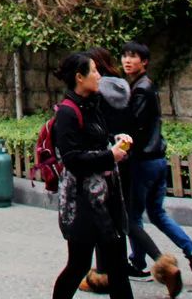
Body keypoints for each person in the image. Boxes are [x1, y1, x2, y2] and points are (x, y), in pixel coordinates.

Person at [51, 51, 133, 299]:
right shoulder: (67, 113)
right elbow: (72, 159)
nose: (99, 76)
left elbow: (98, 139)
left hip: (106, 199)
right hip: (82, 203)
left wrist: (116, 142)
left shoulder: (93, 105)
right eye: (95, 71)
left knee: (117, 265)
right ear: (80, 77)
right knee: (79, 265)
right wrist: (110, 156)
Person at [122, 40, 192, 290]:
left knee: (133, 216)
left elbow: (135, 127)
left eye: (133, 56)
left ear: (144, 61)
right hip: (157, 159)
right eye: (124, 56)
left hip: (143, 161)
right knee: (157, 213)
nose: (127, 60)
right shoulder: (147, 86)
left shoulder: (141, 89)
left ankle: (138, 263)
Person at [80, 47, 144, 295]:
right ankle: (118, 270)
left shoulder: (96, 96)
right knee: (120, 218)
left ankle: (104, 273)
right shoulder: (124, 87)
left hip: (107, 161)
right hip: (125, 156)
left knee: (106, 220)